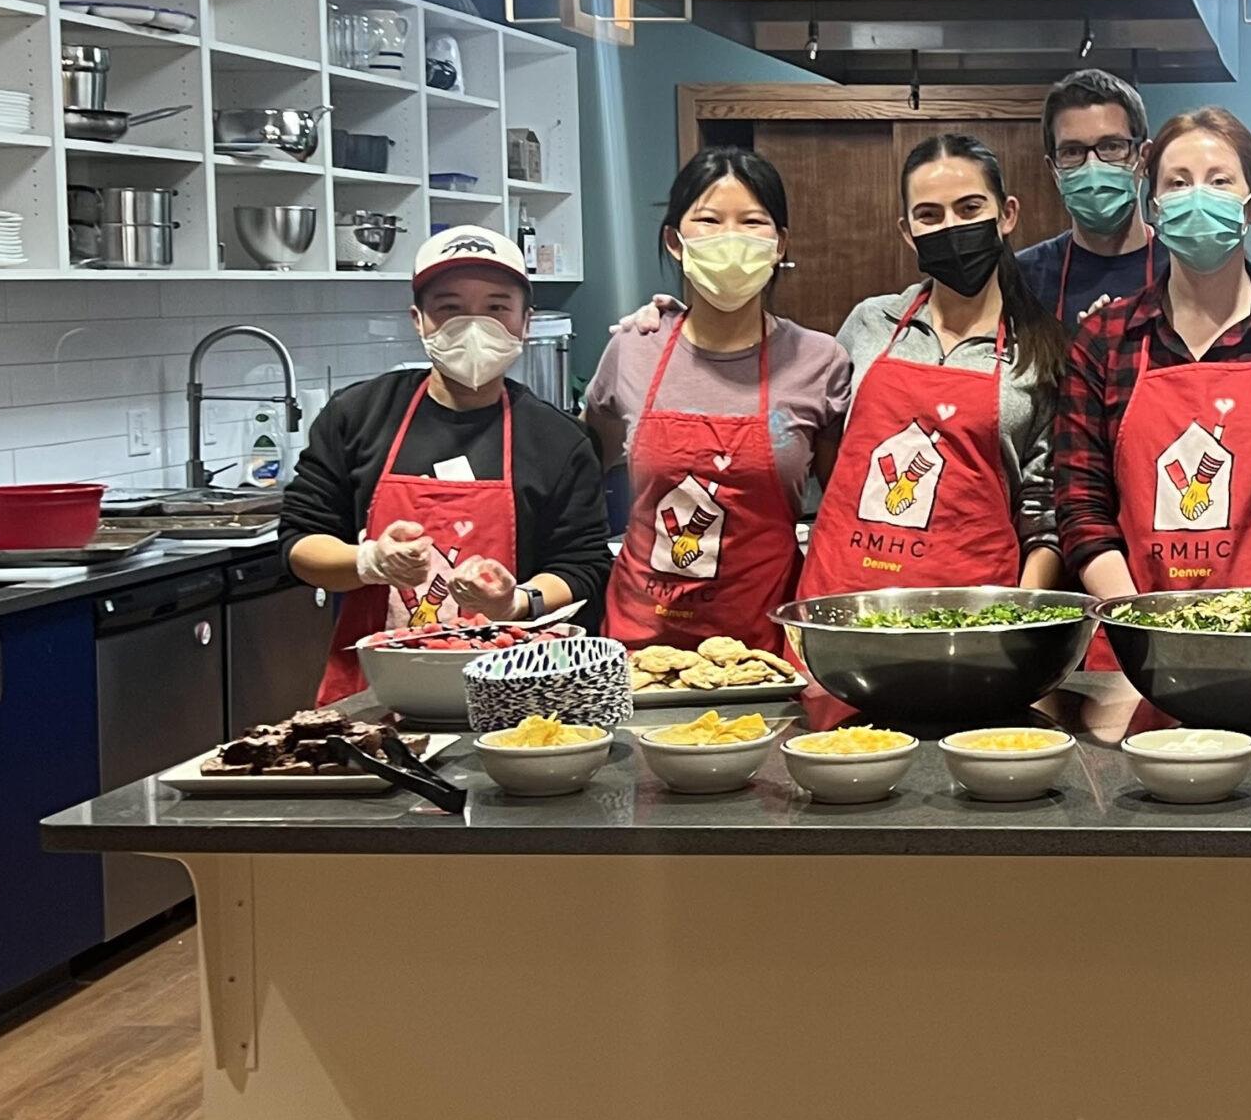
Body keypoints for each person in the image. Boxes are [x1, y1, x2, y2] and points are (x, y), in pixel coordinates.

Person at [1054, 105, 1251, 607]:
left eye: (1219, 181)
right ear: (1154, 205)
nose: (1197, 196)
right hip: (1132, 649)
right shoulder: (1104, 341)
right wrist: (1135, 621)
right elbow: (1081, 508)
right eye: (1178, 183)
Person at [286, 226, 609, 703]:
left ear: (525, 322)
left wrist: (514, 601)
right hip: (375, 695)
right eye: (450, 308)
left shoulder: (557, 440)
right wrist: (370, 561)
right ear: (419, 320)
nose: (474, 325)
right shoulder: (358, 416)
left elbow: (582, 565)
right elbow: (301, 543)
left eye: (497, 308)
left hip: (514, 689)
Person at [586, 147, 851, 650]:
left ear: (780, 244)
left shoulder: (821, 360)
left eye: (753, 222)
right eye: (708, 220)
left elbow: (841, 511)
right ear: (675, 240)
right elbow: (586, 471)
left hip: (767, 642)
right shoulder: (631, 349)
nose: (730, 237)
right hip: (641, 642)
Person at [792, 132, 1068, 598]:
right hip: (842, 599)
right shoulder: (869, 323)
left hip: (972, 618)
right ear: (907, 232)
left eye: (969, 209)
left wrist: (1019, 616)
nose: (951, 227)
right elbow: (819, 437)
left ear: (1007, 215)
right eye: (929, 215)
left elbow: (1044, 516)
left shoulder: (1041, 354)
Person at [1015, 68, 1171, 331]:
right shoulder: (1022, 278)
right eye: (1072, 151)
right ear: (1054, 169)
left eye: (1111, 146)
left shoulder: (1182, 269)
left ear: (1143, 158)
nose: (1092, 165)